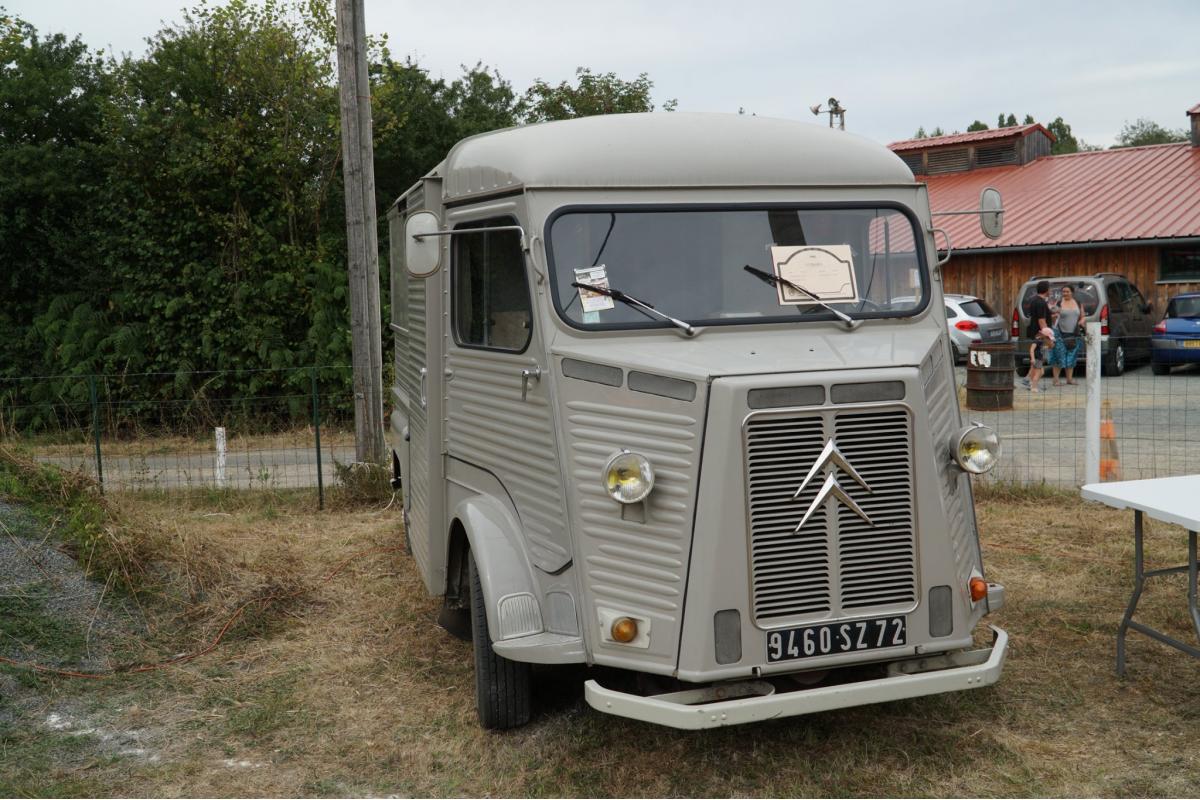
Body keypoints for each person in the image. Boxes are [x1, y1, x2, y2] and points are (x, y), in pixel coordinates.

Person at [1048, 284, 1085, 385]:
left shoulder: (1078, 303)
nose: (1065, 293)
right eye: (1063, 292)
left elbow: (1083, 316)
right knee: (1058, 355)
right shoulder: (1059, 303)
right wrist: (1054, 316)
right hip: (1060, 333)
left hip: (1074, 333)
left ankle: (1069, 379)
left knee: (1072, 356)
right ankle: (1056, 380)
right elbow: (1051, 316)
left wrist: (1082, 321)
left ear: (1072, 292)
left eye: (1067, 291)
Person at [1024, 280, 1052, 392]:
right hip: (1040, 335)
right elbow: (1041, 321)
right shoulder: (1040, 302)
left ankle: (1029, 381)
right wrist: (1048, 336)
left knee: (1037, 361)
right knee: (1039, 361)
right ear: (1047, 290)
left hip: (1036, 333)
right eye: (1049, 289)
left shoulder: (1034, 300)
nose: (1050, 291)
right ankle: (1033, 384)